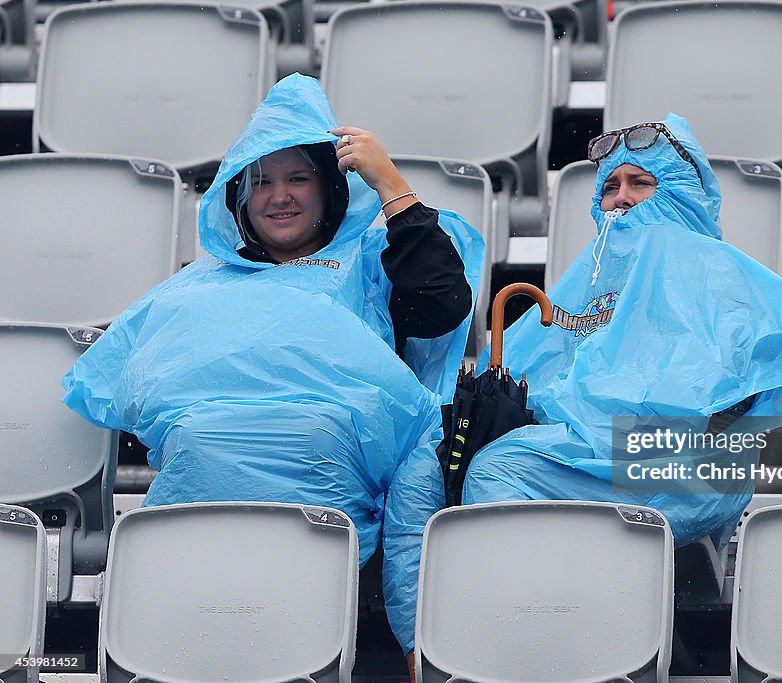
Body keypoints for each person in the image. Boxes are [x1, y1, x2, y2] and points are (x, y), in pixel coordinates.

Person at [382, 114, 782, 675]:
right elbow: (535, 372)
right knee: (428, 463)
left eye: (640, 183)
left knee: (500, 468)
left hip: (684, 462)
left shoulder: (719, 272)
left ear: (682, 193)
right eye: (609, 187)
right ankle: (425, 654)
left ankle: (527, 650)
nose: (620, 199)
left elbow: (745, 400)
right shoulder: (588, 281)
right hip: (579, 453)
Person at [61, 74, 485, 567]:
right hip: (203, 459)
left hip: (328, 460)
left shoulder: (373, 264)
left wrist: (390, 184)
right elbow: (121, 379)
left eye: (297, 179)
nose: (279, 196)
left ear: (329, 189)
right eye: (261, 182)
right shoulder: (201, 282)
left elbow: (442, 301)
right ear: (238, 197)